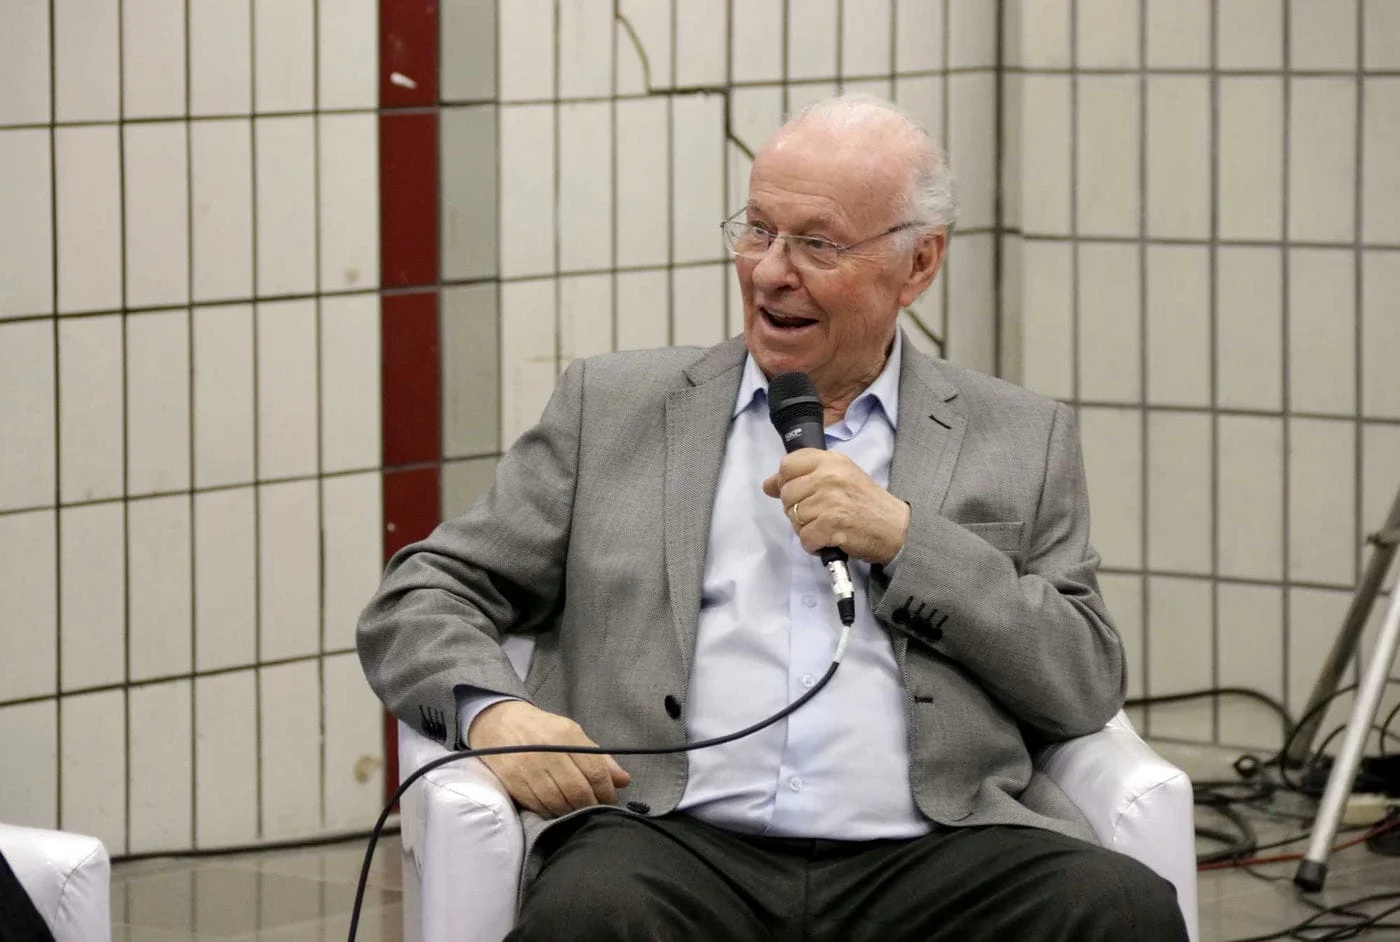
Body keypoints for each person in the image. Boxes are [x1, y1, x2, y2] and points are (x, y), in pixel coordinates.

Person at [357, 94, 1188, 940]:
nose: (769, 272)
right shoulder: (611, 408)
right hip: (668, 838)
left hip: (937, 850)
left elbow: (1083, 680)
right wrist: (491, 712)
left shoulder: (1018, 435)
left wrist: (908, 541)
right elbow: (423, 595)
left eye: (818, 244)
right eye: (757, 230)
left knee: (1123, 909)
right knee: (588, 916)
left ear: (919, 264)